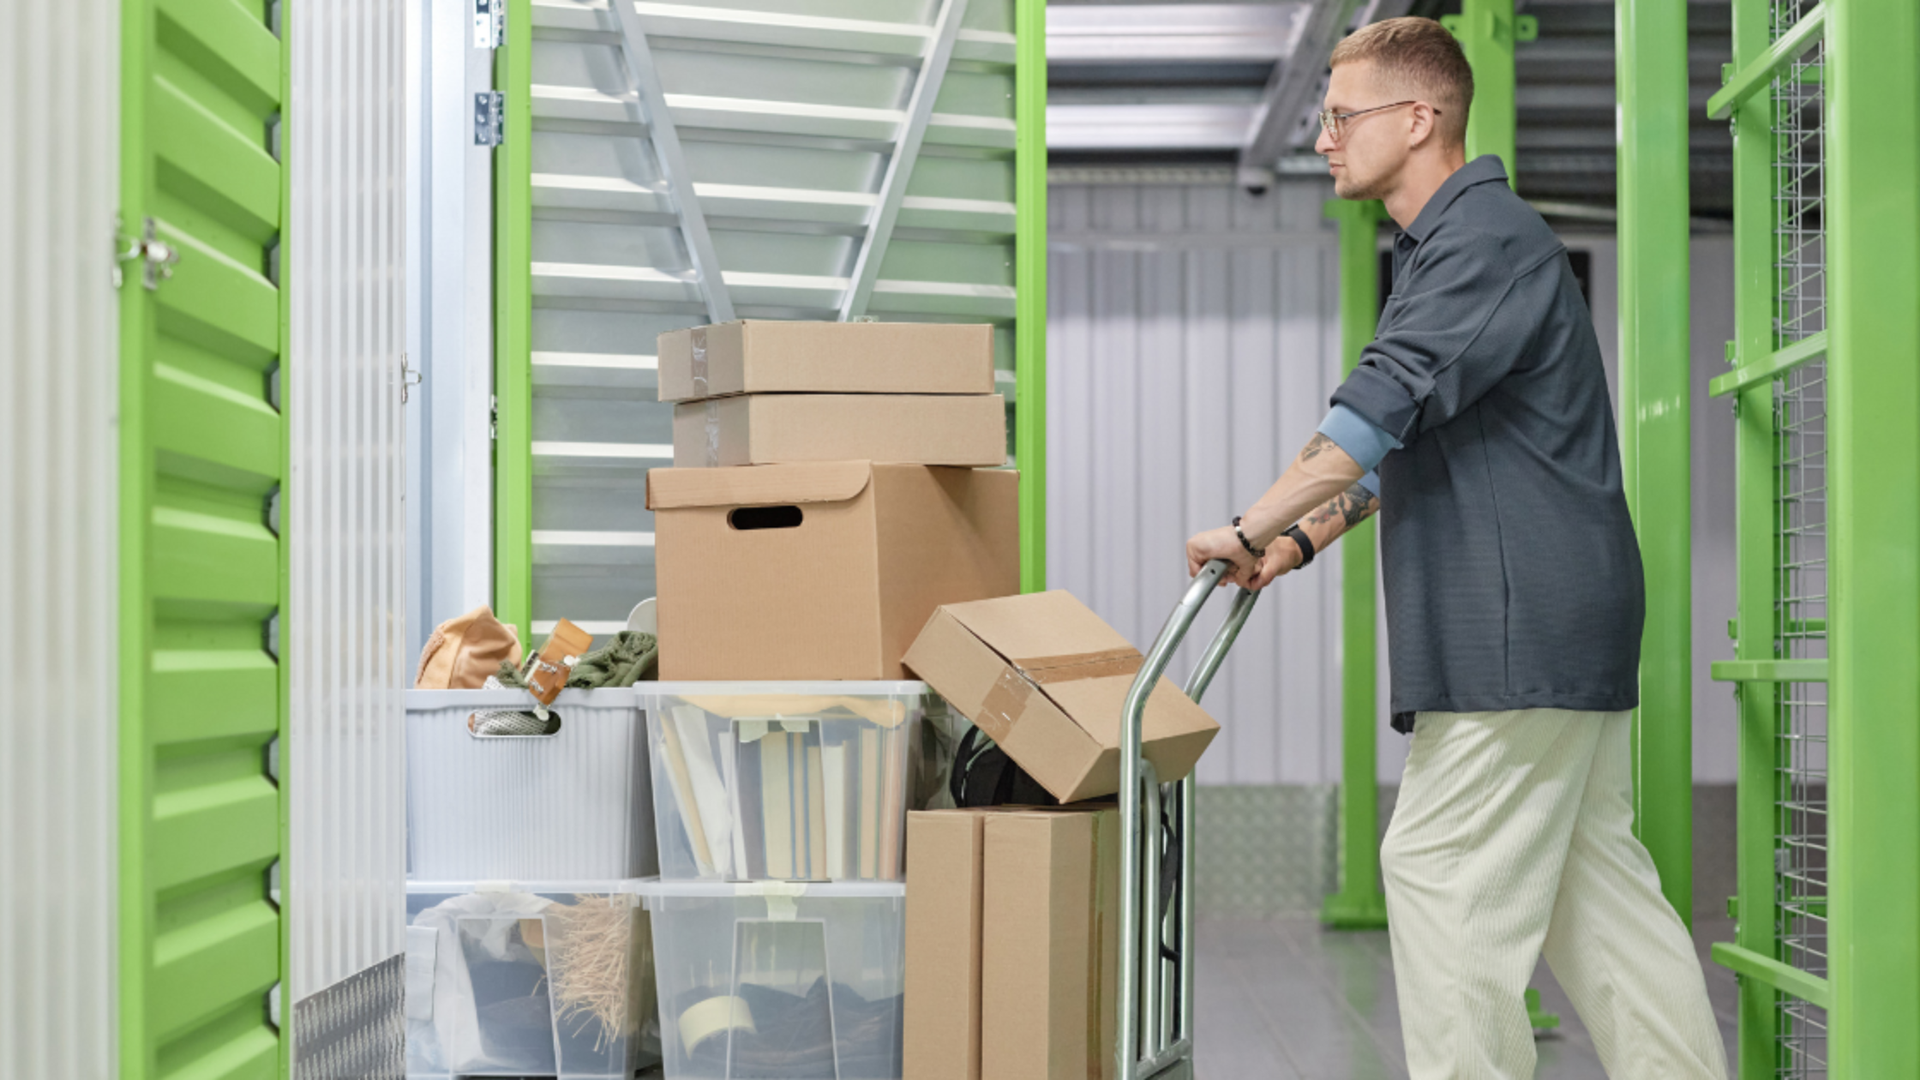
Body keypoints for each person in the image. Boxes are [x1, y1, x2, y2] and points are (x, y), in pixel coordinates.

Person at [1183, 17, 1729, 1080]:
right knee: (1593, 894)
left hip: (1516, 626)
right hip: (1555, 619)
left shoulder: (1480, 240)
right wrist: (1295, 543)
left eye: (1342, 117)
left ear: (1420, 116)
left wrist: (1245, 525)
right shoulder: (1461, 246)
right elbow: (1412, 449)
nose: (1325, 139)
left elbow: (1366, 420)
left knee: (1434, 867)